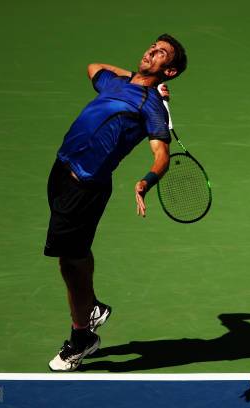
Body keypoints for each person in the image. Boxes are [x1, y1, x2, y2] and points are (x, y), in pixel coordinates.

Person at [45, 33, 188, 372]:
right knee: (75, 254)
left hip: (85, 187)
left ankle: (81, 338)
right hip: (61, 170)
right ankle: (91, 308)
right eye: (153, 46)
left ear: (170, 71)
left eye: (161, 54)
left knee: (70, 262)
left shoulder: (151, 106)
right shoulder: (117, 82)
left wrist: (146, 181)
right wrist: (136, 78)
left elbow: (161, 155)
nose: (152, 51)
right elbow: (93, 66)